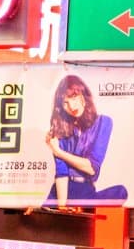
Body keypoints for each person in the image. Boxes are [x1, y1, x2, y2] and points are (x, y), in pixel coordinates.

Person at [47, 75, 129, 205]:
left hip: (85, 191)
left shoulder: (104, 122)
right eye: (65, 103)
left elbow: (91, 168)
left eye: (74, 98)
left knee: (121, 192)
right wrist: (62, 208)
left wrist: (59, 153)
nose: (71, 106)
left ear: (83, 96)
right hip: (60, 192)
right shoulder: (61, 128)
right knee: (37, 221)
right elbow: (61, 172)